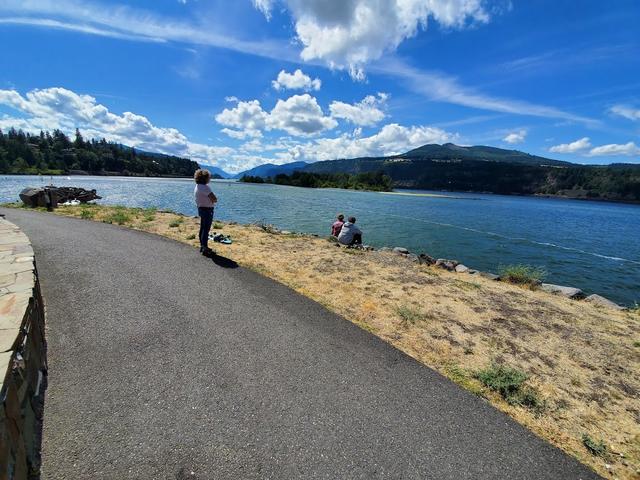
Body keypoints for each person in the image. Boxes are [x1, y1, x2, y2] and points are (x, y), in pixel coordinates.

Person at [193, 169, 218, 256]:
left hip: (201, 209)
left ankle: (202, 246)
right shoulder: (206, 187)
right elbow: (214, 199)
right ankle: (205, 248)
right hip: (207, 210)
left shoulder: (197, 186)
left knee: (202, 228)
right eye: (209, 177)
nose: (209, 179)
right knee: (206, 229)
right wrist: (215, 199)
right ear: (205, 178)